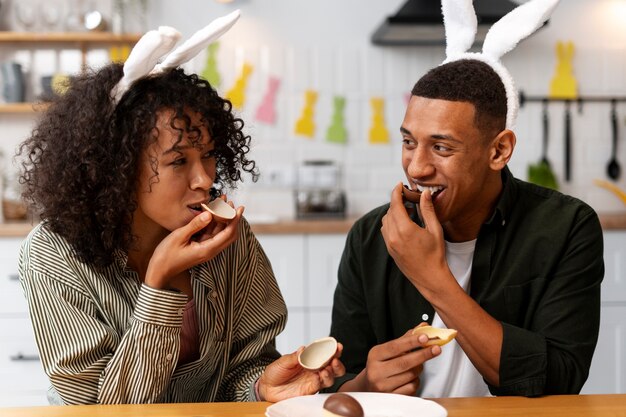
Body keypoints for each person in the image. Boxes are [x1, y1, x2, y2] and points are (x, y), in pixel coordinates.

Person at [17, 14, 344, 405]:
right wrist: (160, 283)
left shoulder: (230, 242)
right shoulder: (52, 254)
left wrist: (261, 387)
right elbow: (101, 411)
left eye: (208, 156)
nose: (205, 179)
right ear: (116, 167)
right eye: (177, 162)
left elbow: (242, 368)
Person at [328, 0, 603, 398]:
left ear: (499, 151)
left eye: (441, 148)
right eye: (409, 142)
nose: (416, 168)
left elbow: (560, 380)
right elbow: (340, 382)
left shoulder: (566, 228)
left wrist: (431, 276)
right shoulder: (372, 235)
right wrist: (367, 382)